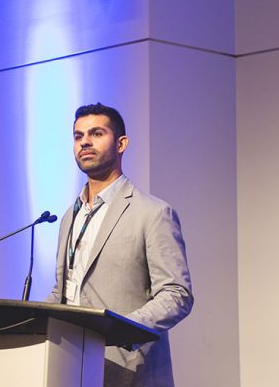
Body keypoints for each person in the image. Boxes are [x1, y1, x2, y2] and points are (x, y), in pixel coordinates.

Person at [46, 103, 193, 387]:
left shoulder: (152, 213)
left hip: (128, 371)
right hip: (70, 366)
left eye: (96, 133)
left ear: (121, 143)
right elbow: (65, 289)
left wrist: (123, 329)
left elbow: (177, 294)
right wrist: (30, 325)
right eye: (78, 136)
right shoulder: (69, 216)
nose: (85, 141)